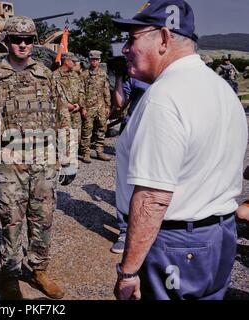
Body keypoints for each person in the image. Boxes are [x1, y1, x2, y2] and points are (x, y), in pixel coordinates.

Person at [112, 0, 247, 300]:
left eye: (132, 38)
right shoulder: (221, 89)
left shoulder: (164, 97)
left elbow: (153, 197)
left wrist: (129, 271)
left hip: (176, 242)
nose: (124, 49)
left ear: (163, 38)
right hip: (220, 236)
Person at [0, 16, 74, 300]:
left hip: (44, 162)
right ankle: (10, 275)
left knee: (43, 220)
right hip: (8, 164)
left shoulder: (45, 74)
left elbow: (63, 116)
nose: (23, 45)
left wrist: (69, 158)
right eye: (17, 39)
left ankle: (39, 269)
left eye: (28, 40)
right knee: (12, 222)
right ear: (7, 42)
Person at [110, 71, 150, 253]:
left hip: (159, 132)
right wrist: (119, 76)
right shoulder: (135, 75)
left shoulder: (172, 72)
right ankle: (125, 231)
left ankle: (151, 230)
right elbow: (119, 104)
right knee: (127, 183)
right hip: (132, 131)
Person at [80, 50, 112, 163]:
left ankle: (99, 152)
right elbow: (81, 92)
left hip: (101, 107)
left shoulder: (103, 74)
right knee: (87, 131)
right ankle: (86, 153)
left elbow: (106, 91)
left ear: (99, 61)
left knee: (101, 130)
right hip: (89, 108)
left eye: (96, 60)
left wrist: (108, 106)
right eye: (92, 60)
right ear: (89, 60)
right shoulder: (84, 74)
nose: (94, 62)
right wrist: (83, 107)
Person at [53, 52, 85, 150]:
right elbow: (53, 95)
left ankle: (72, 159)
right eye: (73, 61)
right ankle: (63, 159)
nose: (75, 64)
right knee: (63, 136)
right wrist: (65, 105)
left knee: (76, 137)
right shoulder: (54, 75)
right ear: (66, 61)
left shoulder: (75, 75)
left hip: (76, 111)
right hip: (62, 112)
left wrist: (80, 104)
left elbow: (82, 91)